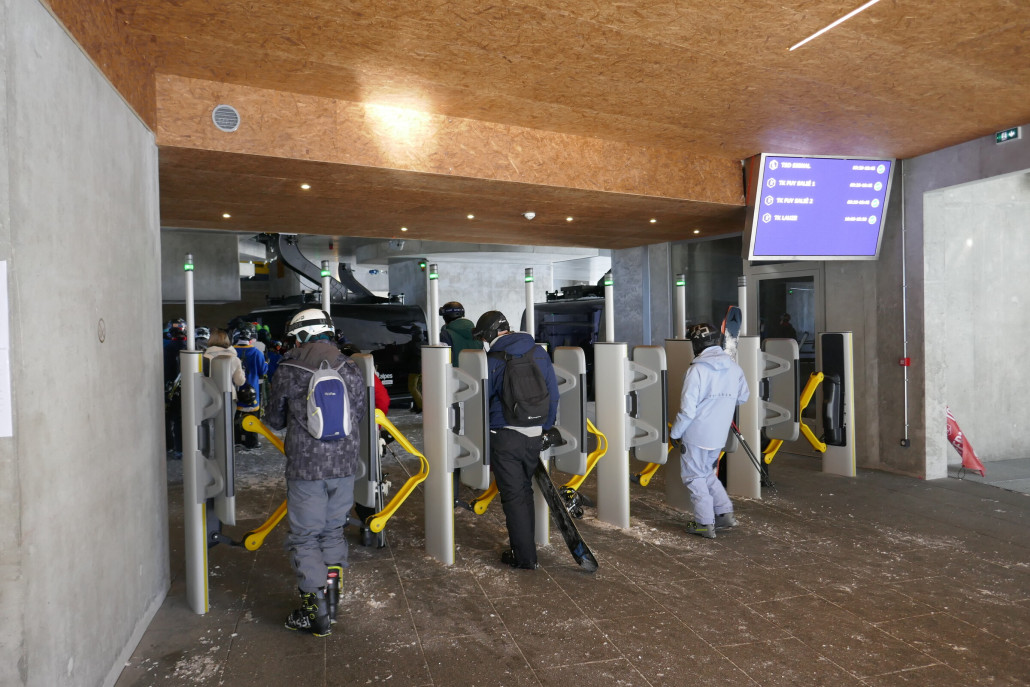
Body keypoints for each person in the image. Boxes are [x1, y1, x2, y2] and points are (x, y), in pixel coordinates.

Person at [265, 308, 367, 637]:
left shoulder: (289, 368)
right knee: (333, 532)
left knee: (305, 538)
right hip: (344, 464)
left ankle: (315, 613)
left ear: (301, 335)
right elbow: (360, 412)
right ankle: (333, 602)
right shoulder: (349, 365)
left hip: (307, 468)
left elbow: (275, 419)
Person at [473, 310, 559, 570]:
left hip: (505, 435)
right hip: (534, 435)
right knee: (524, 492)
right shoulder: (538, 352)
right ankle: (526, 548)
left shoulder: (493, 359)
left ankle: (525, 557)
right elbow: (553, 394)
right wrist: (544, 427)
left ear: (489, 335)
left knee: (515, 497)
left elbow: (480, 401)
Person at [669, 323, 750, 539]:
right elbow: (743, 397)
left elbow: (687, 411)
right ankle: (724, 514)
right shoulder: (734, 368)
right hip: (718, 435)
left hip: (696, 435)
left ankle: (705, 523)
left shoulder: (696, 371)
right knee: (707, 474)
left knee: (694, 477)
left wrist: (675, 434)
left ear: (696, 345)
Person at [233, 325, 268, 448]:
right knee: (252, 417)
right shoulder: (257, 352)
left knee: (235, 416)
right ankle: (251, 442)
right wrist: (266, 363)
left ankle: (236, 440)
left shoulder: (232, 351)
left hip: (234, 389)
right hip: (252, 389)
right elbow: (262, 371)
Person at [163, 319, 188, 457]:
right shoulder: (190, 346)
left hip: (170, 388)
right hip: (187, 387)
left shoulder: (167, 348)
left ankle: (173, 447)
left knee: (171, 418)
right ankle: (183, 448)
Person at [439, 301, 483, 366]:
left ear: (445, 317)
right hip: (477, 375)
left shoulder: (445, 335)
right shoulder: (477, 333)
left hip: (454, 375)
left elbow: (441, 362)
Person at [203, 329, 245, 393]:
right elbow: (239, 382)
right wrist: (243, 372)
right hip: (229, 395)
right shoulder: (234, 359)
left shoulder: (204, 357)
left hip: (208, 395)